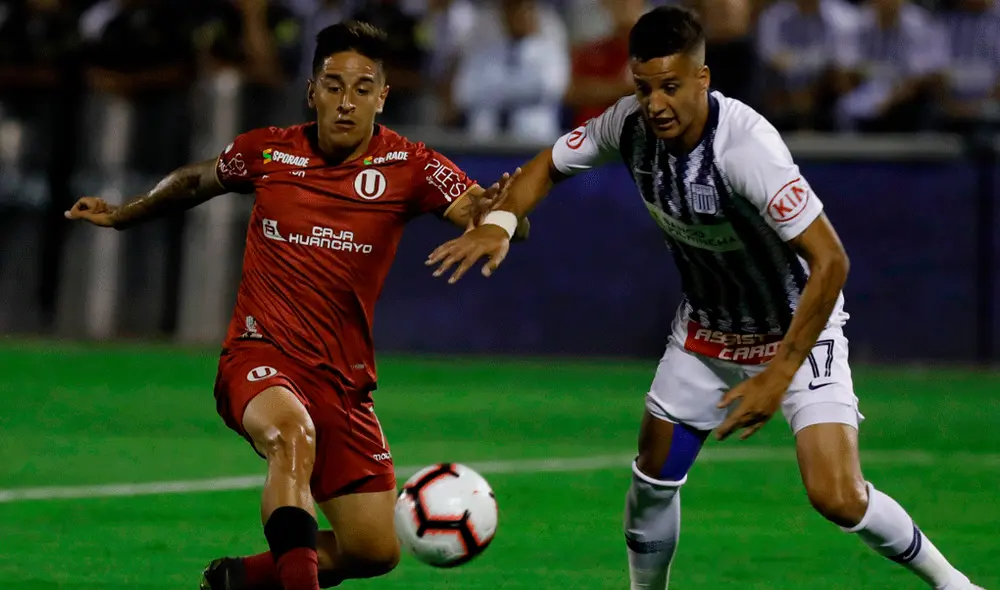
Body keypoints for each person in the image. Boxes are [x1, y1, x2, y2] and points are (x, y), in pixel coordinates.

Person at [426, 6, 983, 590]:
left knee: (836, 496)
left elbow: (832, 259)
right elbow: (547, 165)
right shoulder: (627, 125)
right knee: (651, 482)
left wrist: (779, 372)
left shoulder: (746, 150)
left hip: (794, 330)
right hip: (706, 334)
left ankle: (953, 584)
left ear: (702, 78)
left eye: (671, 87)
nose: (656, 104)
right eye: (644, 89)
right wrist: (501, 224)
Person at [65, 20, 527, 590]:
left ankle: (238, 580)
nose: (345, 102)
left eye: (362, 88)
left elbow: (490, 216)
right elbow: (195, 181)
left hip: (341, 380)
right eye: (333, 85)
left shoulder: (410, 166)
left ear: (383, 96)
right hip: (259, 357)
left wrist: (502, 216)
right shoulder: (268, 151)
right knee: (291, 435)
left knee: (374, 550)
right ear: (312, 91)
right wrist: (123, 211)